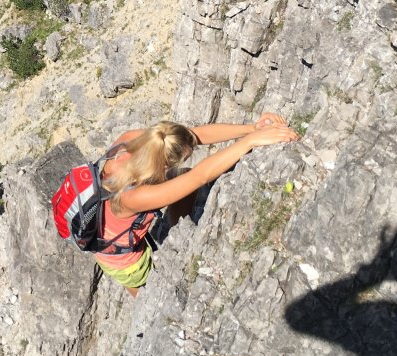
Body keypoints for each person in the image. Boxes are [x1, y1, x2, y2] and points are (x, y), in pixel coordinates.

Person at [95, 114, 299, 296]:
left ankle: (175, 232)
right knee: (148, 294)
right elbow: (200, 176)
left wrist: (252, 129)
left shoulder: (137, 139)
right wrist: (250, 142)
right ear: (164, 164)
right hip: (124, 260)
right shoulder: (133, 196)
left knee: (181, 177)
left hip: (106, 227)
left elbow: (196, 135)